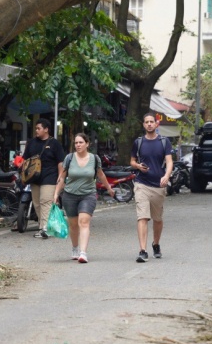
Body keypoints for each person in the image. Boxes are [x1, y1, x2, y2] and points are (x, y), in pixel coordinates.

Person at [53, 133, 115, 263]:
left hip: (88, 195)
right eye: (76, 143)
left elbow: (101, 175)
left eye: (81, 142)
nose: (78, 145)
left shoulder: (94, 159)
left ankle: (83, 252)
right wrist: (56, 194)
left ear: (87, 144)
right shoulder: (69, 158)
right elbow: (62, 177)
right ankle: (75, 248)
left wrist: (109, 188)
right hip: (69, 195)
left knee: (84, 222)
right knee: (73, 225)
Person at [130, 112, 173, 263]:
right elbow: (132, 161)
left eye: (151, 122)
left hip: (159, 186)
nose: (149, 124)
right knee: (142, 217)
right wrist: (137, 166)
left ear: (156, 124)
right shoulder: (139, 142)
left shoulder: (164, 142)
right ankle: (142, 250)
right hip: (141, 183)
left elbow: (169, 162)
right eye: (146, 122)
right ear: (143, 124)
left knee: (158, 219)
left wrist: (166, 176)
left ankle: (156, 244)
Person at [22, 118, 65, 239]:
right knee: (37, 203)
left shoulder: (54, 143)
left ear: (46, 129)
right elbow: (25, 160)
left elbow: (60, 162)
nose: (36, 130)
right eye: (36, 128)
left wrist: (60, 176)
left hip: (50, 176)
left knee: (45, 201)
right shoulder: (31, 143)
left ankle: (44, 228)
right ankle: (42, 226)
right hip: (34, 178)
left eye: (38, 128)